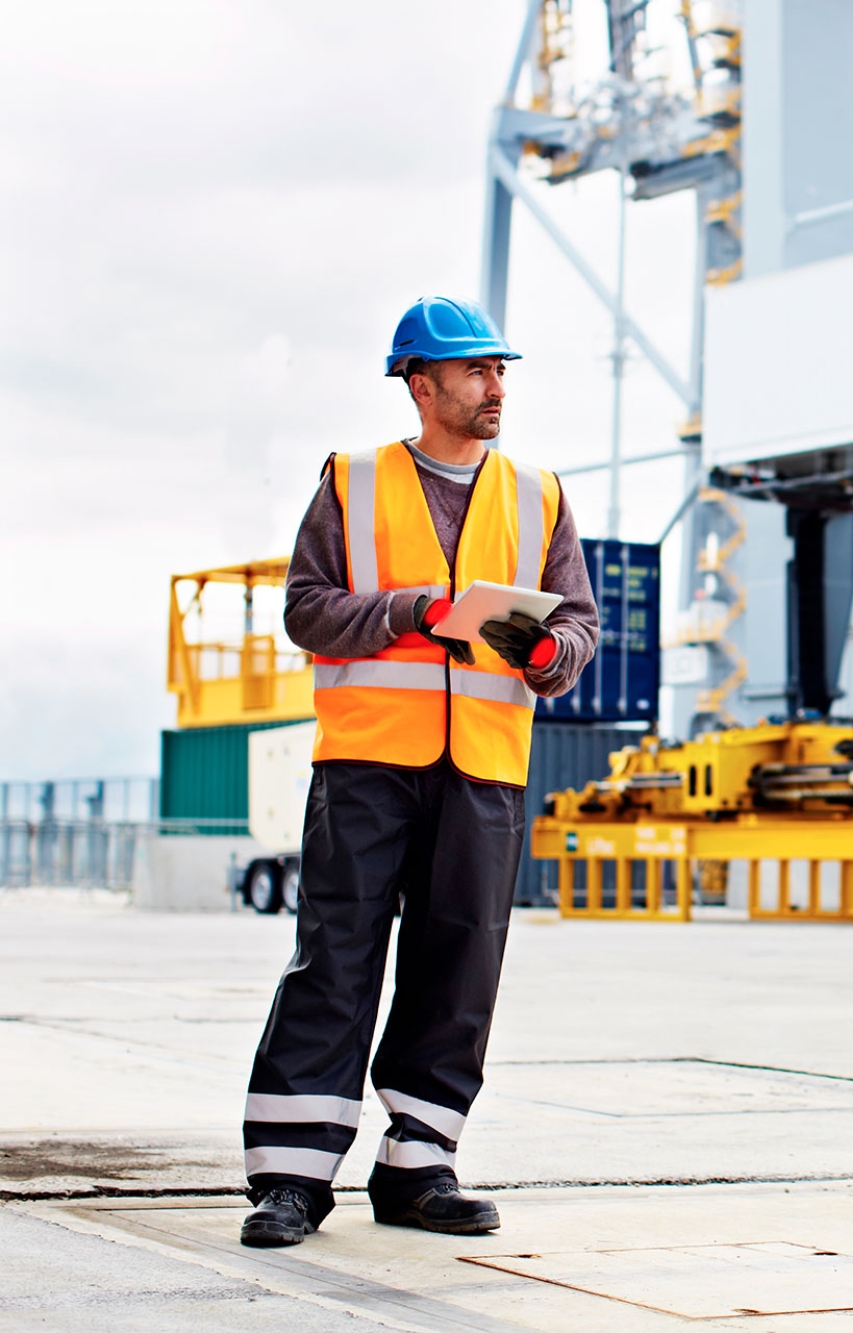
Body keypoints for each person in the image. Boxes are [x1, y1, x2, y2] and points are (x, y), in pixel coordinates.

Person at [240, 295, 599, 1247]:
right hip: (367, 761)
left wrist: (546, 653)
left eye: (500, 371)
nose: (496, 387)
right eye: (476, 371)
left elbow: (578, 625)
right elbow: (307, 611)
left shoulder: (539, 493)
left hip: (484, 768)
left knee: (460, 965)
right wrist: (407, 609)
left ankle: (419, 1164)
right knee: (337, 957)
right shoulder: (353, 481)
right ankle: (291, 1177)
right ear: (420, 383)